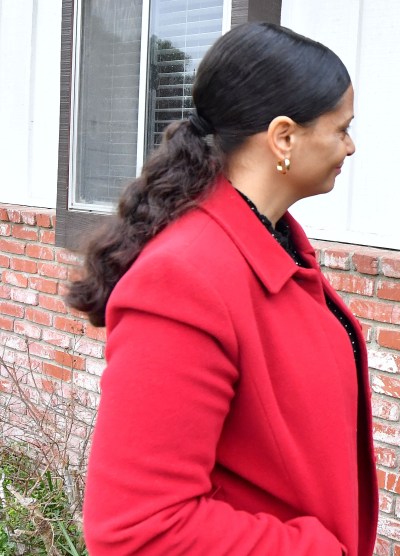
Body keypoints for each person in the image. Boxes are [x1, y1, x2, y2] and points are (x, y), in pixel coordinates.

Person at [68, 23, 378, 554]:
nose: (350, 146)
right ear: (284, 137)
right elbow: (138, 530)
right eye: (341, 128)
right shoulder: (185, 281)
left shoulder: (272, 242)